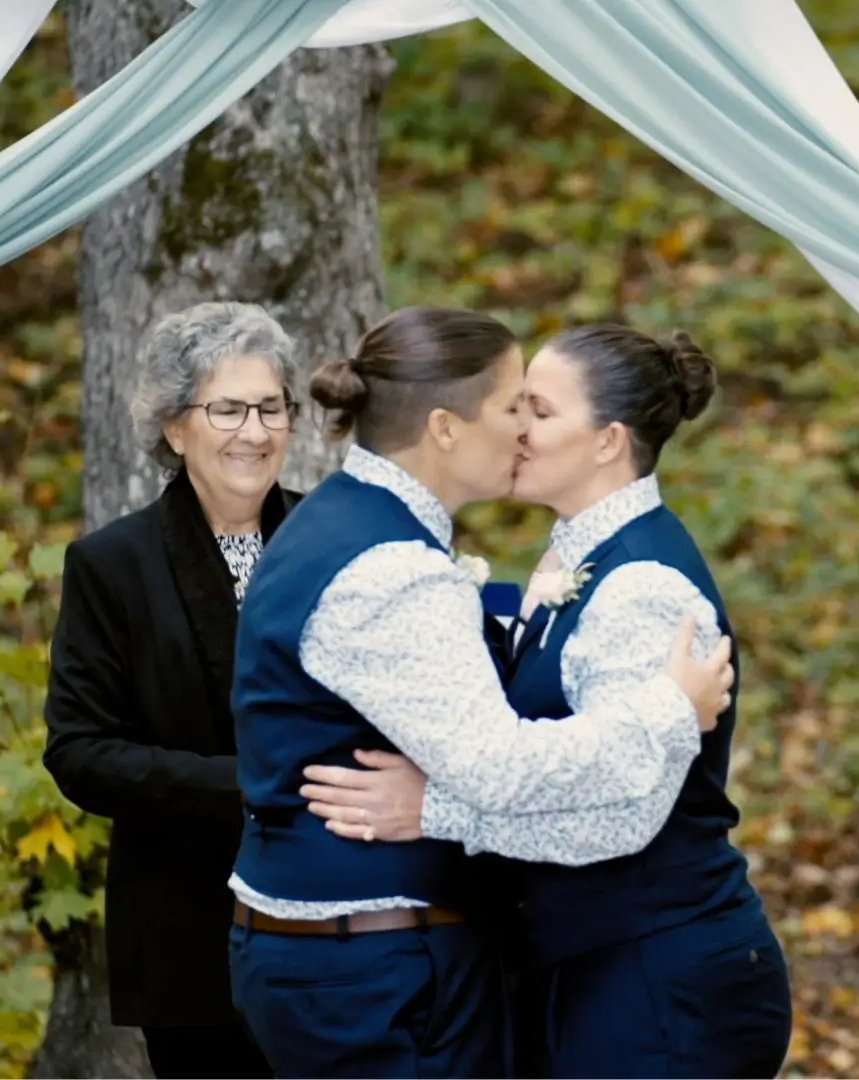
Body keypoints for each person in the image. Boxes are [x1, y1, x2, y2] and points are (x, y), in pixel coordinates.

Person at [226, 305, 736, 1079]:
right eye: (512, 406)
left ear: (609, 440)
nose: (522, 429)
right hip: (372, 969)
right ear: (444, 428)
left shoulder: (343, 520)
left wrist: (430, 806)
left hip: (394, 960)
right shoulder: (394, 571)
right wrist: (670, 710)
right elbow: (500, 764)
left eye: (539, 409)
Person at [42, 301, 303, 1078]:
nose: (253, 431)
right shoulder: (111, 566)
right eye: (226, 408)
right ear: (173, 425)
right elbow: (81, 752)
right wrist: (246, 787)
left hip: (337, 929)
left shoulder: (332, 539)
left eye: (270, 407)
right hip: (190, 936)